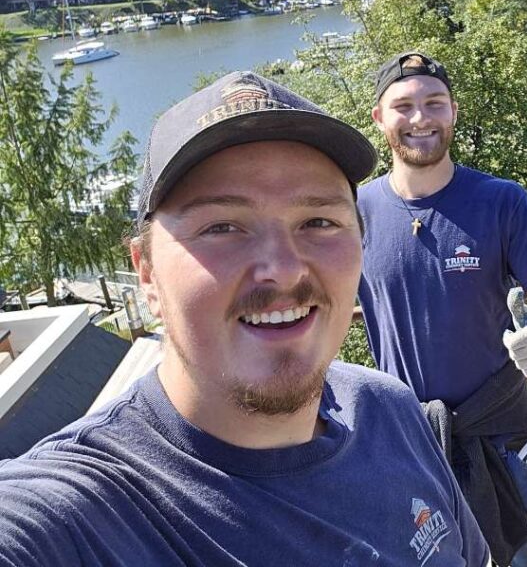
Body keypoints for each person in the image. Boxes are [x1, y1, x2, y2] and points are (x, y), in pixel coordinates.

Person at [0, 71, 489, 567]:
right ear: (147, 274)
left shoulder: (391, 411)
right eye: (221, 227)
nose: (283, 269)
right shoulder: (83, 516)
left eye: (318, 221)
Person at [357, 52, 527, 566]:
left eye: (434, 103)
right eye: (403, 106)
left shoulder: (503, 201)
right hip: (410, 442)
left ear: (453, 111)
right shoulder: (353, 214)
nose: (420, 119)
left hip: (507, 437)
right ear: (379, 119)